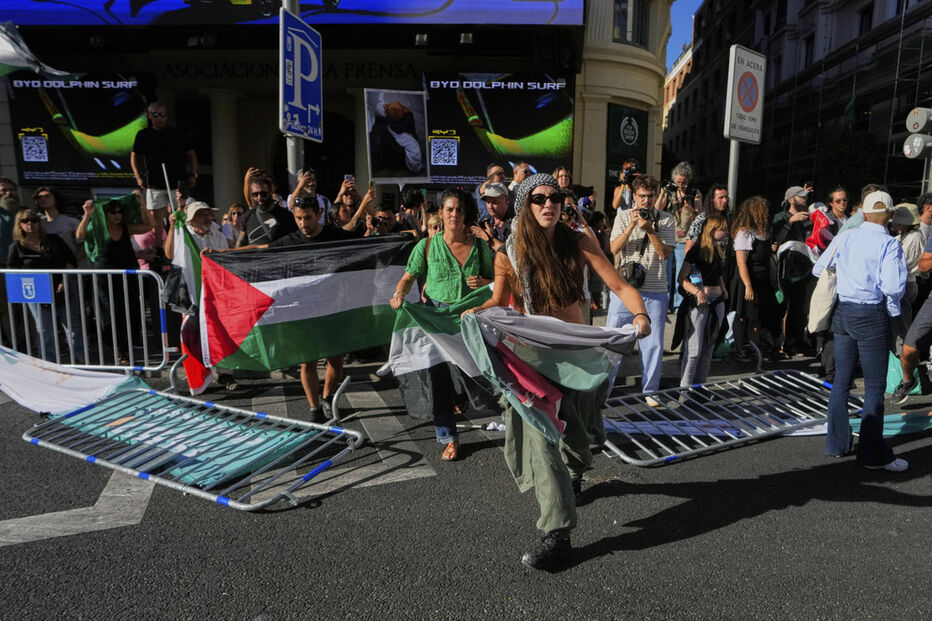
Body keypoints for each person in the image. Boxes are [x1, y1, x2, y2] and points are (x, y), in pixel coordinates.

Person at [461, 173, 650, 571]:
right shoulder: (508, 253)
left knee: (578, 438)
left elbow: (619, 286)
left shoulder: (579, 241)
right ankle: (558, 532)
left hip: (577, 354)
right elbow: (499, 300)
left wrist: (640, 314)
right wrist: (468, 314)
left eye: (556, 197)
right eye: (538, 198)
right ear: (524, 205)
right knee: (542, 436)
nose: (549, 204)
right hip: (531, 359)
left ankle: (577, 469)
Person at [390, 189, 494, 461]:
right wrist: (400, 293)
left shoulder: (479, 246)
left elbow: (496, 280)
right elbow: (408, 277)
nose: (455, 215)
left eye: (459, 210)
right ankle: (448, 436)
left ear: (465, 214)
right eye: (449, 209)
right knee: (439, 379)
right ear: (440, 214)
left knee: (474, 372)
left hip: (469, 319)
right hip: (436, 319)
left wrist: (483, 283)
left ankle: (461, 398)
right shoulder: (426, 246)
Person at [813, 190, 908, 472]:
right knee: (875, 388)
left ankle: (837, 444)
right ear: (889, 216)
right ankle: (872, 455)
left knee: (842, 380)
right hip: (871, 313)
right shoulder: (890, 244)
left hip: (843, 311)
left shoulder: (847, 235)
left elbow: (820, 267)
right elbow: (892, 287)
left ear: (864, 214)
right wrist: (894, 314)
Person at [268, 201, 358, 421]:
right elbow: (260, 251)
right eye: (298, 218)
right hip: (304, 312)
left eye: (307, 217)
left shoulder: (335, 236)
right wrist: (222, 252)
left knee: (335, 362)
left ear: (319, 214)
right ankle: (314, 409)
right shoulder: (289, 242)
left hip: (333, 310)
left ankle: (327, 396)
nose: (303, 223)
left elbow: (368, 245)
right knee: (307, 362)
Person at [607, 175, 675, 404]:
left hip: (655, 289)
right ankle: (603, 389)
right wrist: (632, 226)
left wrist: (650, 230)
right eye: (642, 196)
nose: (646, 201)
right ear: (634, 197)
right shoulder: (623, 216)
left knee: (653, 344)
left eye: (650, 196)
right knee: (613, 341)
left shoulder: (665, 220)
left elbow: (665, 254)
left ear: (656, 196)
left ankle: (650, 392)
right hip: (625, 289)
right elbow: (613, 248)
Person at [76, 197, 152, 364]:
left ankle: (128, 348)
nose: (117, 215)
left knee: (131, 311)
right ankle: (119, 352)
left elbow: (149, 226)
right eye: (113, 212)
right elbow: (80, 235)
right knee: (110, 314)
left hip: (128, 274)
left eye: (120, 212)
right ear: (106, 213)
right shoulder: (97, 227)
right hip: (105, 277)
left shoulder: (126, 227)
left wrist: (142, 205)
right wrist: (87, 214)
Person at [7, 209, 85, 362]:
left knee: (72, 326)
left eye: (34, 220)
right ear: (19, 225)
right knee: (44, 329)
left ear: (39, 223)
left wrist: (65, 280)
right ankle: (48, 362)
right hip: (36, 292)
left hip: (62, 286)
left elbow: (71, 260)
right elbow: (12, 272)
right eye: (25, 221)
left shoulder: (54, 240)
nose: (30, 224)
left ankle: (81, 358)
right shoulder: (16, 247)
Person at [131, 101, 198, 244]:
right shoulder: (143, 135)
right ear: (149, 116)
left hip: (178, 181)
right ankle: (160, 246)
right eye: (155, 115)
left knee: (180, 213)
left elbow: (191, 154)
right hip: (154, 182)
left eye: (162, 115)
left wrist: (193, 174)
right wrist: (138, 176)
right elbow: (134, 156)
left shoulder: (176, 133)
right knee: (155, 215)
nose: (159, 118)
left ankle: (181, 242)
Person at [677, 214, 728, 388]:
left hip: (716, 301)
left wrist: (724, 290)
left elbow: (719, 274)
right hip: (700, 303)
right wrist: (697, 292)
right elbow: (681, 279)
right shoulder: (696, 250)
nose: (726, 232)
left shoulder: (718, 250)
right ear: (713, 230)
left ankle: (700, 385)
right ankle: (685, 387)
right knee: (694, 349)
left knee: (708, 347)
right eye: (723, 229)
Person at [730, 196, 775, 362]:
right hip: (747, 279)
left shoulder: (765, 232)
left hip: (762, 278)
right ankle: (739, 348)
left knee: (757, 316)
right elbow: (741, 263)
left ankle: (755, 348)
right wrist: (748, 286)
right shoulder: (744, 233)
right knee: (742, 315)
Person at [772, 186, 815, 357]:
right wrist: (790, 222)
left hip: (803, 268)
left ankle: (793, 343)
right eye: (801, 196)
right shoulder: (781, 217)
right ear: (790, 199)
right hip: (784, 268)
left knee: (798, 307)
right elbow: (775, 240)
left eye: (806, 196)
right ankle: (777, 344)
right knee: (781, 306)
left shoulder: (807, 218)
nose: (805, 199)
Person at [657, 162, 702, 311]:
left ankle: (679, 304)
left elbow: (700, 214)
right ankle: (665, 303)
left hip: (685, 240)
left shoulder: (694, 193)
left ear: (689, 181)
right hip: (668, 238)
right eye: (678, 182)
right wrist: (664, 192)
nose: (681, 186)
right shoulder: (670, 192)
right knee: (666, 274)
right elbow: (657, 209)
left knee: (681, 274)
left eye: (684, 182)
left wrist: (689, 205)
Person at [239, 172, 297, 246]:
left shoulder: (286, 216)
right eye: (255, 195)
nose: (259, 198)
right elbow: (240, 243)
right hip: (253, 257)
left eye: (263, 194)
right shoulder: (247, 216)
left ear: (270, 192)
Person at [685, 183, 729, 254]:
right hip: (706, 261)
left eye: (726, 197)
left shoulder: (728, 218)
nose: (725, 201)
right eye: (721, 198)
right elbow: (689, 247)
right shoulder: (701, 219)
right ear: (712, 199)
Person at [470, 182, 513, 254]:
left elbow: (513, 255)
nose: (490, 206)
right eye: (487, 202)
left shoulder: (515, 223)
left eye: (494, 202)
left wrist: (490, 240)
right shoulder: (485, 222)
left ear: (506, 200)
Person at [807, 186, 848, 256]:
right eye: (838, 201)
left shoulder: (851, 219)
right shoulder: (824, 221)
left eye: (845, 200)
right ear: (831, 203)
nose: (842, 203)